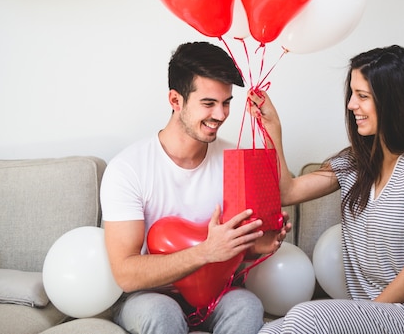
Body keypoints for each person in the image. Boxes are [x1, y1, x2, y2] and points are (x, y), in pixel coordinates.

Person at [249, 45, 404, 334]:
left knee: (305, 316)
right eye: (353, 94)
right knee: (270, 331)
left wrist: (363, 319)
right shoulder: (356, 163)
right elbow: (288, 193)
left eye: (363, 96)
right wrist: (272, 127)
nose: (351, 105)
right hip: (376, 316)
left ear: (394, 101)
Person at [100, 41, 290, 334]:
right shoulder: (128, 169)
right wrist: (205, 252)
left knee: (247, 305)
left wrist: (258, 247)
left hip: (216, 293)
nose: (221, 114)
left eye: (226, 102)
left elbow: (234, 249)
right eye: (208, 103)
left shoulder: (233, 161)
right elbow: (126, 275)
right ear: (175, 100)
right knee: (162, 313)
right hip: (151, 296)